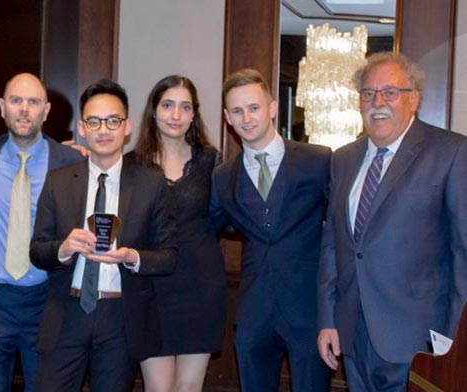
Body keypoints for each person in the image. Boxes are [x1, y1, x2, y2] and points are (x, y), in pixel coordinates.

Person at [317, 51, 467, 391]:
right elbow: (332, 246)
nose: (377, 102)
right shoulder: (343, 158)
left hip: (418, 337)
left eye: (389, 92)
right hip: (353, 332)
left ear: (412, 99)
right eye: (368, 93)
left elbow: (463, 252)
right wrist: (328, 319)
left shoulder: (451, 152)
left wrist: (456, 341)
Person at [29, 79, 177, 392]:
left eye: (113, 121)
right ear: (82, 127)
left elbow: (169, 256)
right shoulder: (58, 182)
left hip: (120, 317)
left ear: (127, 127)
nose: (104, 129)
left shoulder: (151, 184)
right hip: (67, 312)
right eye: (94, 121)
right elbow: (37, 251)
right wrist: (63, 248)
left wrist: (132, 257)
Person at [211, 68, 331, 391]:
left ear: (273, 108)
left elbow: (341, 232)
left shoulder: (318, 160)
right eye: (237, 111)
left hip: (309, 314)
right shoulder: (223, 177)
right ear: (227, 117)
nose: (246, 118)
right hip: (253, 316)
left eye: (254, 108)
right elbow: (199, 231)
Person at [0, 73, 84, 391]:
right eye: (16, 101)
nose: (24, 110)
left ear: (45, 111)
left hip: (46, 299)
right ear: (2, 108)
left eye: (33, 102)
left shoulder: (71, 162)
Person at [126, 75, 226, 392]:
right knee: (158, 388)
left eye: (185, 107)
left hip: (201, 285)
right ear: (154, 111)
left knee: (188, 387)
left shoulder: (211, 160)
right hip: (151, 288)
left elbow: (223, 216)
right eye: (168, 105)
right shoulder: (131, 165)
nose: (176, 115)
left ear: (194, 114)